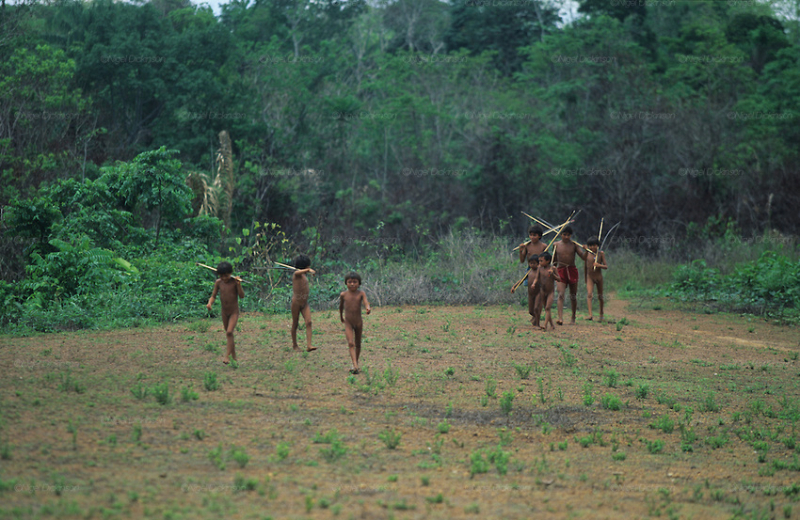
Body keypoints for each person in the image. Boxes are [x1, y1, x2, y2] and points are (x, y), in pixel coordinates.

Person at [206, 261, 245, 364]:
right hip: (224, 312)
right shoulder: (218, 283)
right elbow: (213, 295)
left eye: (226, 275)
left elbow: (242, 296)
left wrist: (239, 285)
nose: (224, 278)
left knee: (229, 332)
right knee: (229, 335)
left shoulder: (234, 282)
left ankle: (227, 356)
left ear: (231, 273)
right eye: (222, 276)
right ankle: (234, 357)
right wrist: (210, 303)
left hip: (234, 312)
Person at [553, 226, 588, 325]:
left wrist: (585, 250)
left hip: (572, 270)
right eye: (564, 235)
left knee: (573, 295)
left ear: (571, 235)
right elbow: (554, 259)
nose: (566, 237)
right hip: (560, 270)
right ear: (561, 235)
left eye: (568, 235)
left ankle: (573, 317)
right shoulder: (556, 245)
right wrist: (552, 270)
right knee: (561, 294)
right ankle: (560, 318)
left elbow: (583, 257)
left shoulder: (574, 245)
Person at [339, 272, 371, 374]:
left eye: (354, 282)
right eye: (350, 282)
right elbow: (341, 307)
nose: (352, 284)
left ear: (359, 283)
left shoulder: (361, 293)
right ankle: (355, 365)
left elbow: (365, 302)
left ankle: (355, 364)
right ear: (346, 283)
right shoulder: (343, 295)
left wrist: (367, 307)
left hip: (358, 322)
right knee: (350, 343)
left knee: (358, 344)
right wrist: (341, 316)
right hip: (348, 322)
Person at [291, 254, 317, 352]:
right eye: (308, 266)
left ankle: (309, 345)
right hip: (296, 303)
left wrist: (308, 272)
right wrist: (308, 270)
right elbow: (298, 272)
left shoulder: (303, 276)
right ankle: (295, 345)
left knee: (309, 322)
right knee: (295, 324)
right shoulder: (296, 274)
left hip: (304, 303)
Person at [531, 252, 560, 331]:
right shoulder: (539, 268)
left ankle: (545, 325)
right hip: (542, 291)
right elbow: (537, 278)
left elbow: (559, 279)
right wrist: (534, 284)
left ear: (548, 261)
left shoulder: (553, 268)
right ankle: (552, 325)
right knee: (546, 308)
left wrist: (553, 274)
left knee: (547, 308)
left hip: (550, 291)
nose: (539, 263)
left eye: (541, 261)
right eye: (539, 261)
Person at [512, 254, 541, 328]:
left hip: (539, 292)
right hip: (530, 293)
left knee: (536, 308)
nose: (532, 265)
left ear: (538, 264)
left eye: (534, 263)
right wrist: (514, 286)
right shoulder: (529, 272)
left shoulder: (539, 272)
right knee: (531, 311)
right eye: (530, 263)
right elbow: (522, 280)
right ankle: (535, 317)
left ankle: (537, 323)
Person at [584, 237, 608, 321]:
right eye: (590, 245)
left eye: (594, 245)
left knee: (600, 296)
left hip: (598, 277)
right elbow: (585, 266)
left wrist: (599, 265)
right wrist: (585, 278)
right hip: (590, 277)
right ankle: (590, 315)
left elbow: (606, 266)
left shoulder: (601, 254)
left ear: (597, 245)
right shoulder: (587, 253)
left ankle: (601, 314)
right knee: (589, 294)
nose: (592, 247)